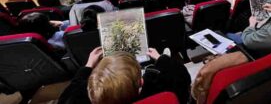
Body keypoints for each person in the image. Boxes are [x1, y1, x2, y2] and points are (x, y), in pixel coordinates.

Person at [58, 47, 191, 104]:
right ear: (141, 82)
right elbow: (181, 76)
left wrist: (88, 65)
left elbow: (71, 92)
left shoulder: (76, 98)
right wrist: (162, 58)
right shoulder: (160, 89)